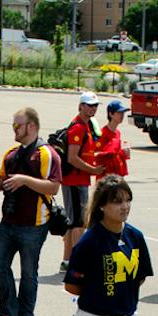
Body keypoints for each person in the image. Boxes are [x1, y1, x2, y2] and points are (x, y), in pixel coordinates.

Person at [0, 107, 61, 316]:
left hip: (34, 225)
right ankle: (9, 311)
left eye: (17, 125)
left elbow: (54, 187)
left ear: (31, 126)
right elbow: (3, 178)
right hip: (8, 221)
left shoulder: (47, 154)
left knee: (28, 273)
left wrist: (25, 180)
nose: (14, 128)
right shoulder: (11, 153)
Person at [64, 176, 153, 316]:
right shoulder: (89, 241)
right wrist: (101, 296)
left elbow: (139, 277)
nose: (125, 206)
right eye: (117, 201)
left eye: (128, 200)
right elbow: (72, 286)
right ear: (102, 206)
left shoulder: (136, 237)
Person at [58, 92, 103, 272]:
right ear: (81, 106)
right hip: (75, 181)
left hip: (79, 180)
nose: (92, 108)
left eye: (95, 105)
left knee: (74, 222)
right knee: (78, 222)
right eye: (89, 105)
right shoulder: (78, 128)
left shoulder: (87, 126)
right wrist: (93, 170)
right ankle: (77, 261)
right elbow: (72, 158)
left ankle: (68, 260)